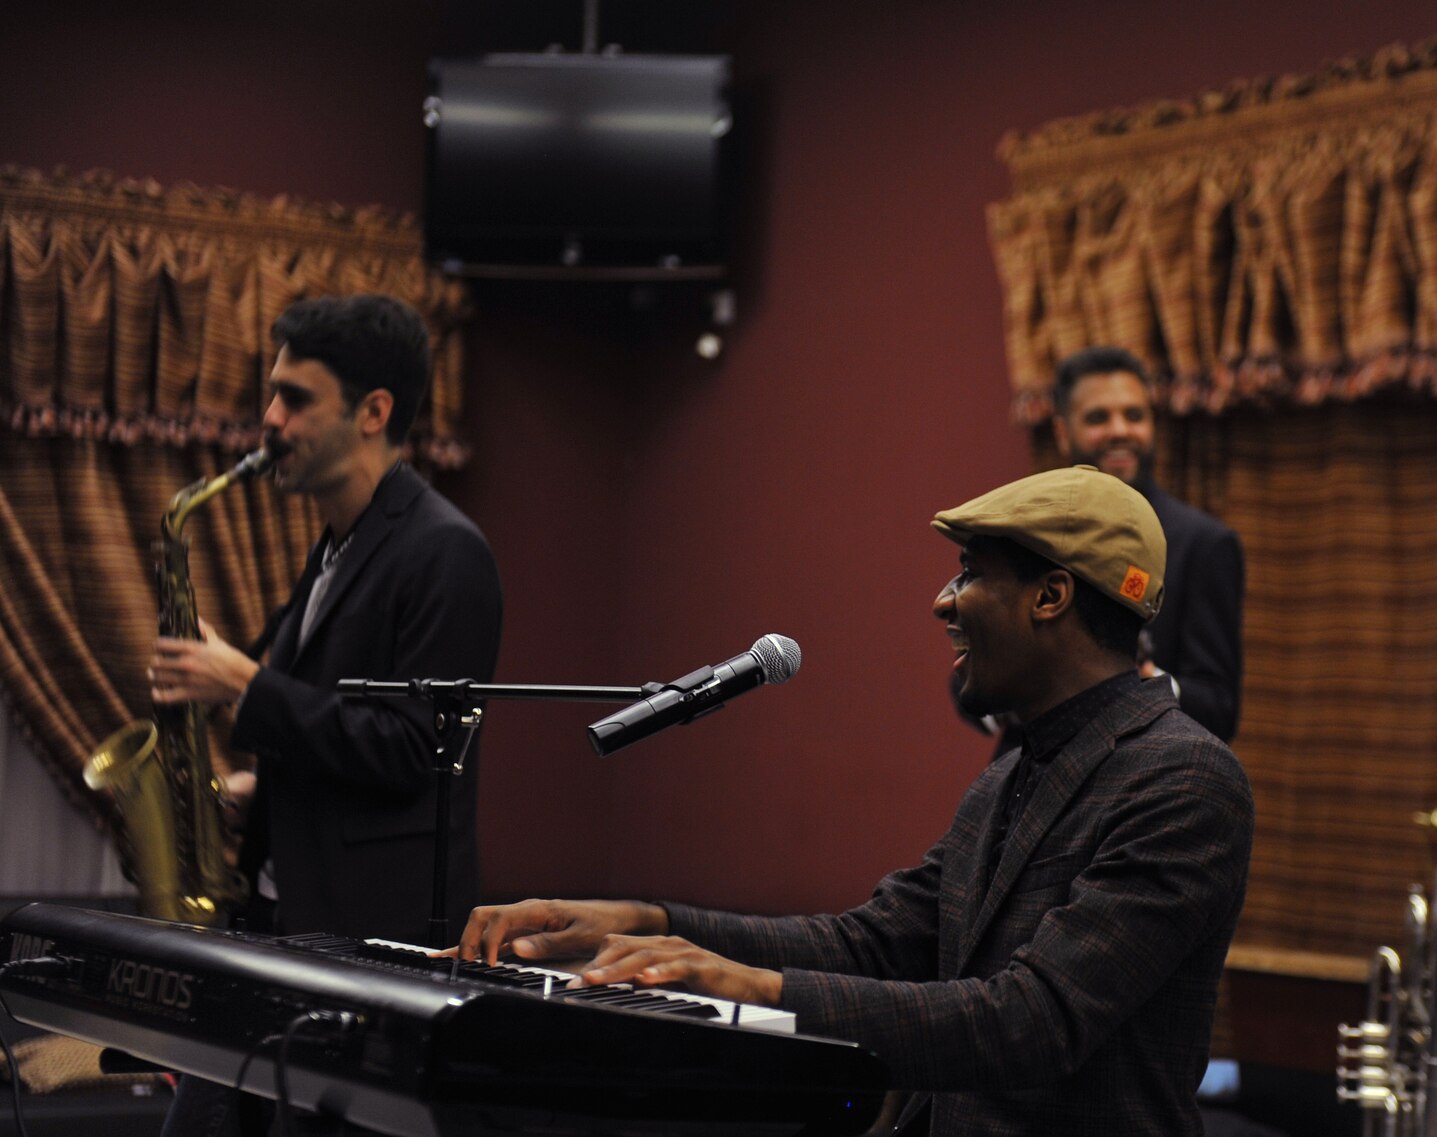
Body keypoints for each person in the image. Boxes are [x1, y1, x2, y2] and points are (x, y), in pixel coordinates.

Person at [453, 466, 1255, 1137]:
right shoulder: (1010, 774)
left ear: (1051, 597)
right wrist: (647, 923)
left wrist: (753, 987)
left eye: (970, 571)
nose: (944, 602)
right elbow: (871, 943)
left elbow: (1031, 1021)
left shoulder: (1182, 781)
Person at [148, 292, 504, 946]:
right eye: (272, 395)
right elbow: (336, 719)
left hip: (378, 934)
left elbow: (416, 750)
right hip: (296, 912)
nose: (270, 419)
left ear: (373, 412)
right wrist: (266, 788)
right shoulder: (337, 543)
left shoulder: (448, 550)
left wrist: (245, 685)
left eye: (295, 399)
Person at [1049, 347, 1244, 742]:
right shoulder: (1033, 534)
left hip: (1145, 785)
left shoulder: (1204, 544)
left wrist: (1140, 680)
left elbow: (1219, 709)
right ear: (1062, 432)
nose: (1120, 430)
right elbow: (970, 688)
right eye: (1098, 417)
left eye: (1134, 415)